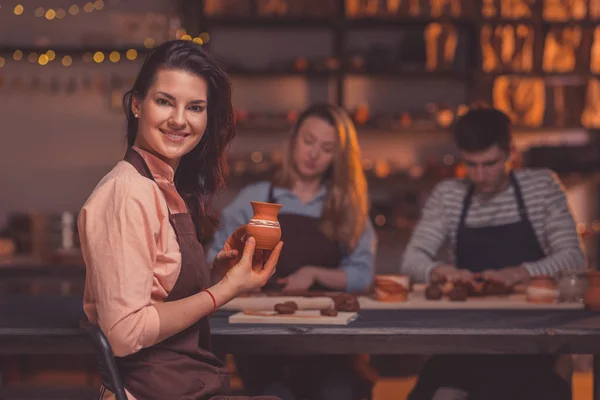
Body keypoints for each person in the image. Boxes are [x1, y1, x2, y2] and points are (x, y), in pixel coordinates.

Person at [78, 40, 283, 400]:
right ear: (138, 105)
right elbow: (125, 333)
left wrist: (218, 273)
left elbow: (157, 291)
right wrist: (224, 291)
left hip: (185, 385)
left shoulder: (162, 186)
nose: (179, 119)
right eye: (164, 101)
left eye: (195, 107)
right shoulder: (128, 192)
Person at [401, 106, 585, 400]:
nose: (480, 175)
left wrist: (519, 273)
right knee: (440, 393)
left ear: (510, 152)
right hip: (468, 339)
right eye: (470, 164)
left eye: (490, 163)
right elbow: (412, 260)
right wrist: (445, 272)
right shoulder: (449, 194)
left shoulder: (542, 187)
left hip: (530, 341)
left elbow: (573, 259)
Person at [208, 104, 377, 400]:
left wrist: (314, 274)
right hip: (264, 337)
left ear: (338, 156)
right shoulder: (257, 198)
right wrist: (237, 272)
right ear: (293, 140)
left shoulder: (347, 207)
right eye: (308, 141)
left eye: (326, 148)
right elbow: (213, 259)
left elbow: (362, 275)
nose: (313, 154)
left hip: (328, 342)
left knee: (337, 394)